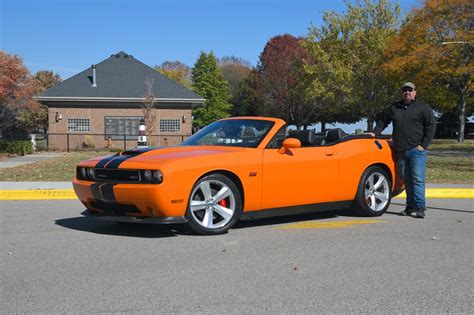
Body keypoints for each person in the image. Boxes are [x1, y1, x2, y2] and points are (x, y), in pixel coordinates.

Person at [370, 82, 436, 218]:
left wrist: (423, 145)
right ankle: (410, 207)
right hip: (401, 151)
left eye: (410, 90)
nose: (407, 92)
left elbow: (431, 126)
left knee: (417, 179)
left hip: (416, 151)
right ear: (402, 92)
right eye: (405, 90)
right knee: (407, 180)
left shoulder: (422, 107)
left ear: (415, 92)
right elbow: (383, 121)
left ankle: (420, 208)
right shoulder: (395, 108)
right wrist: (375, 133)